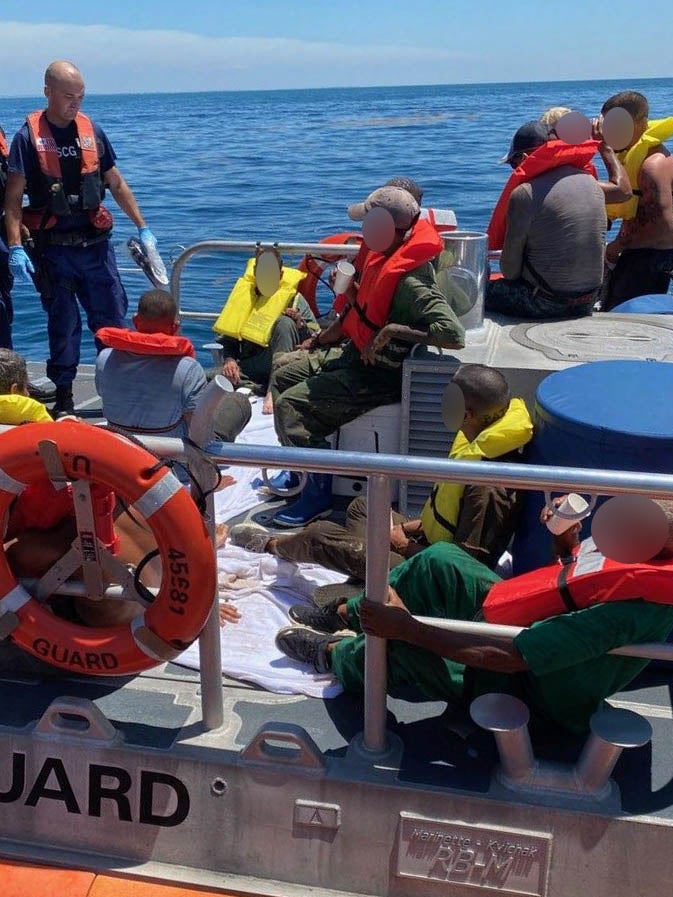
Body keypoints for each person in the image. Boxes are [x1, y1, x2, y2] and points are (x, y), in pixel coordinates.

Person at [276, 499, 673, 735]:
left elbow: (514, 657)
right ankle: (349, 613)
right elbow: (574, 583)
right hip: (519, 621)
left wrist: (408, 628)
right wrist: (563, 540)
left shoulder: (634, 609)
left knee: (404, 651)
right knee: (440, 560)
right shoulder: (635, 551)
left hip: (532, 689)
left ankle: (335, 655)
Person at [268, 186, 465, 528]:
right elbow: (362, 314)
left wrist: (392, 332)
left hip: (380, 374)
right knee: (282, 374)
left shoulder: (411, 282)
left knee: (291, 406)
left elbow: (453, 334)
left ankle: (317, 495)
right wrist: (319, 336)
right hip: (356, 354)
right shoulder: (382, 257)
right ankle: (300, 465)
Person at [230, 364, 532, 577]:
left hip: (432, 576)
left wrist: (405, 546)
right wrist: (409, 530)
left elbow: (463, 569)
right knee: (363, 506)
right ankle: (360, 557)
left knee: (320, 535)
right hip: (427, 543)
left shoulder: (487, 486)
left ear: (467, 414)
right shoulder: (479, 439)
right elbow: (448, 517)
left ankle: (273, 545)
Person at [3, 60, 163, 418]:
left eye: (80, 97)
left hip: (96, 248)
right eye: (67, 96)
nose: (74, 104)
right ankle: (64, 396)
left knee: (112, 322)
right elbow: (12, 200)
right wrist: (15, 247)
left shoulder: (93, 132)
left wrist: (143, 227)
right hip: (53, 251)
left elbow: (116, 183)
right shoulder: (27, 139)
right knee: (63, 325)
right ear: (48, 92)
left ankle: (120, 393)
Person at [95, 289, 251, 444]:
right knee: (238, 401)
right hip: (169, 448)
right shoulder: (188, 368)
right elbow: (198, 429)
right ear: (175, 327)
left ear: (135, 320)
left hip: (120, 442)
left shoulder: (104, 358)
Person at [486, 121, 607, 319]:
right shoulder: (592, 183)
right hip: (588, 301)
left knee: (474, 292)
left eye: (514, 164)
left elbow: (509, 271)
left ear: (525, 158)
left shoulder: (525, 194)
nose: (514, 170)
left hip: (546, 303)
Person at [599, 91, 673, 309]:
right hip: (639, 252)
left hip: (651, 257)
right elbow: (633, 208)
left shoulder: (652, 166)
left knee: (621, 313)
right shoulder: (632, 157)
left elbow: (665, 228)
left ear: (641, 123)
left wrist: (618, 245)